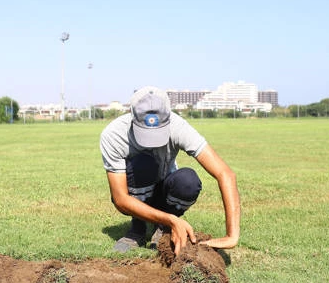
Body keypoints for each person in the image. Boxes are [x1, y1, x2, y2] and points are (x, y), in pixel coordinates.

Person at [100, 86, 240, 256]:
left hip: (164, 188)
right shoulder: (114, 135)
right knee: (144, 163)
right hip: (135, 190)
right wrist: (171, 220)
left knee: (188, 181)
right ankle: (137, 229)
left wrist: (232, 236)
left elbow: (225, 173)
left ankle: (162, 229)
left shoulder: (178, 127)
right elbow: (121, 198)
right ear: (132, 117)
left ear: (168, 118)